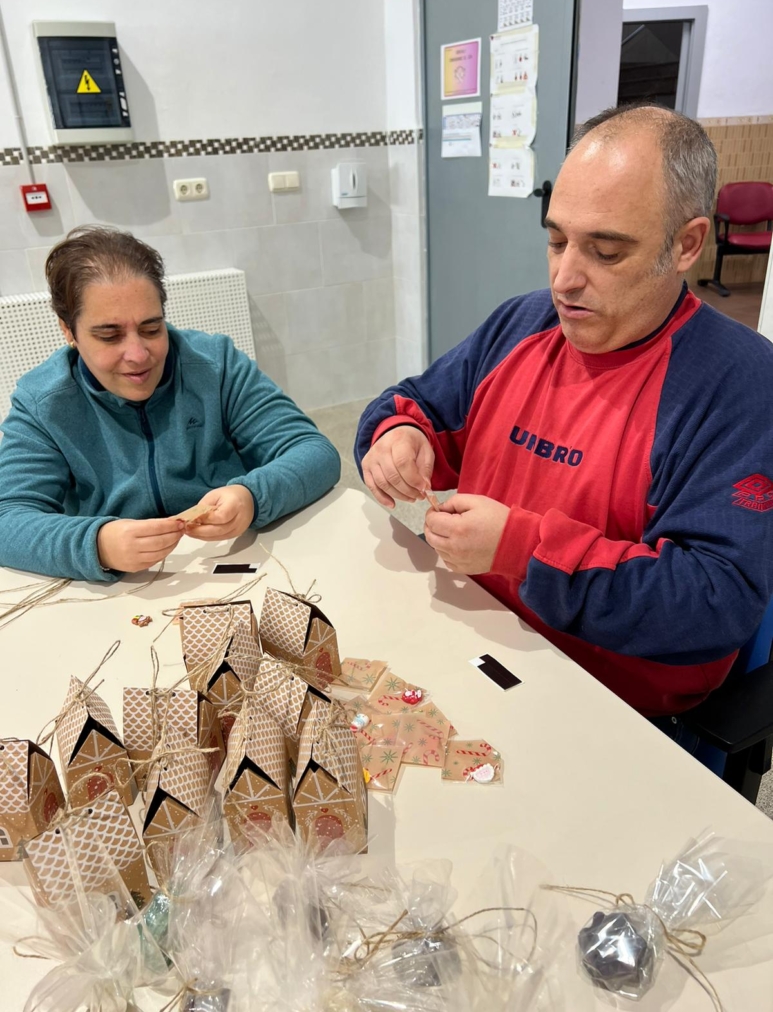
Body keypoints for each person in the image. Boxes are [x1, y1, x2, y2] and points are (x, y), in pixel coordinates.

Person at [356, 104, 773, 723]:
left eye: (605, 252)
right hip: (480, 637)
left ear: (687, 244)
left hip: (608, 699)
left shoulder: (738, 382)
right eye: (556, 241)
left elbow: (713, 600)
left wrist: (521, 550)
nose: (564, 279)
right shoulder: (524, 324)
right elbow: (408, 405)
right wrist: (396, 436)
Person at [0, 225, 340, 581]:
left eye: (151, 329)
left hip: (229, 566)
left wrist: (251, 496)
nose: (137, 355)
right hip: (116, 589)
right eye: (110, 336)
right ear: (68, 330)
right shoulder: (43, 402)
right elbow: (8, 519)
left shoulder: (216, 365)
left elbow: (315, 452)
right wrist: (97, 543)